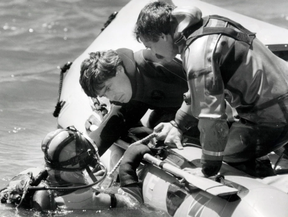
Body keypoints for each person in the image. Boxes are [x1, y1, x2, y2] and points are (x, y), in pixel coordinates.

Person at [134, 1, 288, 178]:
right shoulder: (210, 24)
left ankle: (262, 180)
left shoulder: (197, 53)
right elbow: (200, 93)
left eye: (149, 46)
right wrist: (178, 124)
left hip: (274, 119)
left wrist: (208, 167)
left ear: (162, 36)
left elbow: (212, 120)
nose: (152, 52)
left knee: (227, 154)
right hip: (279, 102)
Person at [79, 48, 200, 156]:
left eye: (108, 88)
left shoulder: (156, 65)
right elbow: (114, 122)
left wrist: (179, 124)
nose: (111, 98)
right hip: (168, 113)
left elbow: (205, 90)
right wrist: (83, 154)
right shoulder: (126, 89)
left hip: (201, 111)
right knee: (132, 129)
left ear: (119, 69)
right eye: (104, 95)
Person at [0, 127, 138, 211]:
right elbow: (134, 204)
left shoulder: (32, 174)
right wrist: (128, 165)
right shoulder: (85, 199)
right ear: (76, 162)